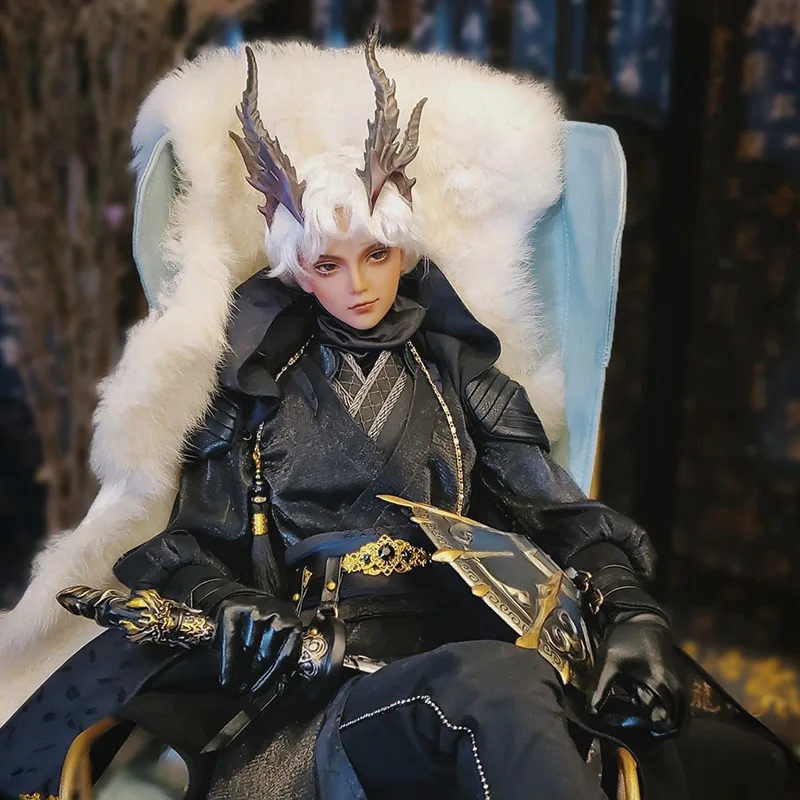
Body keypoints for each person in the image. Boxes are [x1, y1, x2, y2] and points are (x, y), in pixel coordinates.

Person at [1, 28, 796, 800]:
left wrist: (628, 608)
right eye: (329, 263)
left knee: (688, 748)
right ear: (299, 271)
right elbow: (188, 548)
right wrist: (228, 601)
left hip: (469, 644)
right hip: (318, 689)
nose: (357, 284)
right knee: (494, 686)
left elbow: (558, 513)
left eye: (376, 255)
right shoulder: (253, 387)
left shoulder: (462, 378)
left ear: (404, 251)